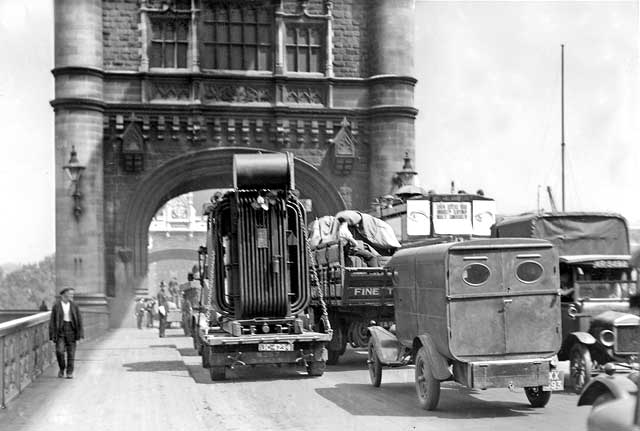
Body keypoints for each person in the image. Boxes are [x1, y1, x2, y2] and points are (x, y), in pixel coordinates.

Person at [49, 287, 84, 379]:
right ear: (64, 294)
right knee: (59, 351)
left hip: (72, 330)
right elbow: (52, 321)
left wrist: (80, 334)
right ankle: (62, 368)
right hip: (60, 331)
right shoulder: (56, 306)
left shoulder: (74, 305)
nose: (72, 295)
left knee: (71, 354)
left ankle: (69, 372)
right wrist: (52, 335)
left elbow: (79, 320)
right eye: (70, 294)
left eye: (73, 294)